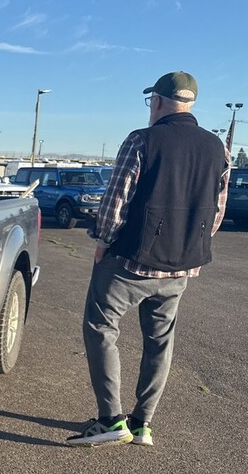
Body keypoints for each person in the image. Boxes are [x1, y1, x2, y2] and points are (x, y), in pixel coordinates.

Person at [66, 71, 229, 447]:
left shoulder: (142, 139)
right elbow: (217, 211)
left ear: (156, 101)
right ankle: (142, 423)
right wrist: (189, 245)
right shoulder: (216, 148)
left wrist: (103, 241)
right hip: (181, 267)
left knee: (101, 327)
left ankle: (110, 419)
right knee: (160, 340)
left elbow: (116, 200)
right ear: (190, 104)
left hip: (131, 262)